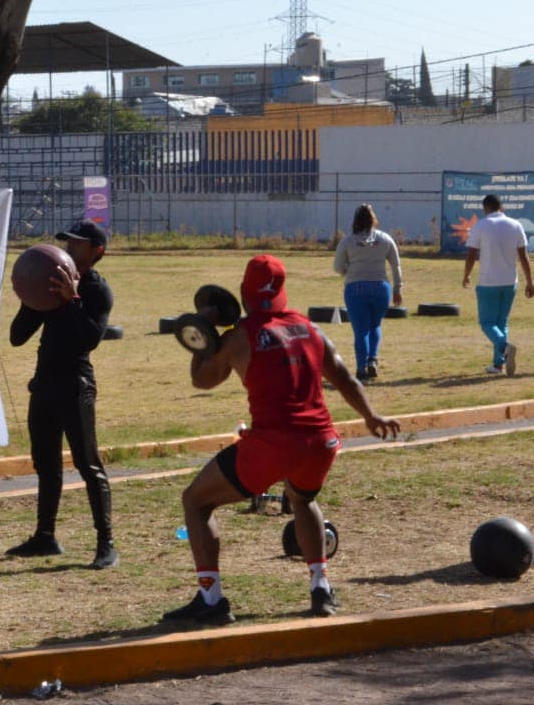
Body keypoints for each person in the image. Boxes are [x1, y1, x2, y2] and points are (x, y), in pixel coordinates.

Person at [164, 254, 400, 625]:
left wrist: (203, 334)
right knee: (302, 499)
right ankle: (321, 587)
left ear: (244, 293)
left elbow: (202, 380)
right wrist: (371, 417)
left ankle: (211, 600)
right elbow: (346, 378)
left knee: (195, 501)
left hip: (272, 445)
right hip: (321, 442)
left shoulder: (238, 338)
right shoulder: (309, 328)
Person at [7, 219, 118, 570]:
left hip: (76, 385)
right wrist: (32, 296)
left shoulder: (98, 291)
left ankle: (106, 544)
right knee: (46, 463)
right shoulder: (49, 281)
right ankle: (45, 536)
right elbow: (17, 336)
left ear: (96, 251)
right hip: (44, 383)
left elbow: (88, 339)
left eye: (77, 243)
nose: (69, 246)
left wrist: (71, 302)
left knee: (88, 464)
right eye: (67, 241)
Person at [462, 194, 534, 375]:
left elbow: (471, 254)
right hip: (510, 281)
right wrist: (530, 282)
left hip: (488, 281)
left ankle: (504, 349)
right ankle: (498, 365)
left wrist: (466, 275)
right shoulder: (515, 225)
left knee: (486, 322)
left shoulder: (481, 225)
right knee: (501, 323)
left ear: (485, 208)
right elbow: (524, 257)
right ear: (501, 207)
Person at [332, 204, 403, 382]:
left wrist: (348, 271)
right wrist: (397, 288)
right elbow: (396, 265)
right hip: (381, 288)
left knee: (360, 330)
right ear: (373, 219)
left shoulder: (348, 241)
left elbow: (337, 267)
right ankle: (372, 359)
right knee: (375, 325)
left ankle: (361, 368)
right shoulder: (385, 239)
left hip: (355, 288)